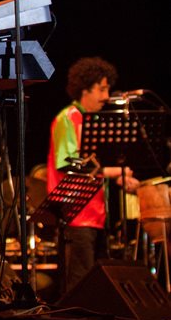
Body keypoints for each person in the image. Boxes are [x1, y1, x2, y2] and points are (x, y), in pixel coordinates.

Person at [47, 56, 140, 295]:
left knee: (95, 283)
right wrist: (110, 171)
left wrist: (119, 178)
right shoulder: (68, 119)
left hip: (96, 213)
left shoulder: (94, 120)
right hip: (75, 212)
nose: (107, 96)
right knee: (79, 283)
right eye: (102, 89)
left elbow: (95, 166)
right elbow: (66, 163)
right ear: (84, 89)